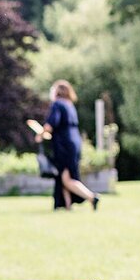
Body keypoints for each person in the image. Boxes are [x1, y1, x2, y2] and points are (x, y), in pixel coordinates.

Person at [36, 80, 98, 211]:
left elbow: (51, 124)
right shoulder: (69, 105)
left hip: (64, 145)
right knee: (64, 177)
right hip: (74, 142)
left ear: (57, 91)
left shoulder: (57, 104)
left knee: (66, 178)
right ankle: (67, 206)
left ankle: (91, 197)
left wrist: (40, 134)